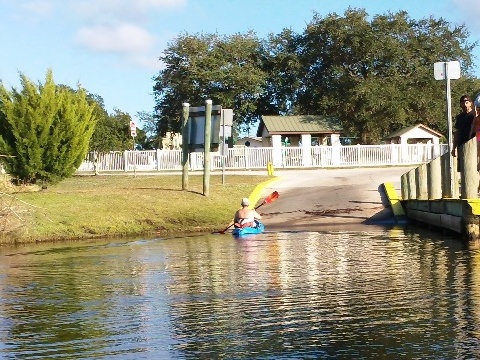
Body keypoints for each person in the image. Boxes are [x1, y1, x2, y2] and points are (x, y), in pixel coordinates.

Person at [452, 95, 475, 159]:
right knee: (462, 167)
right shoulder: (459, 117)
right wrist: (454, 148)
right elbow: (457, 133)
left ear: (471, 103)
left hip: (473, 145)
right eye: (463, 103)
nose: (465, 105)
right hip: (462, 146)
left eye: (467, 102)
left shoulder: (476, 115)